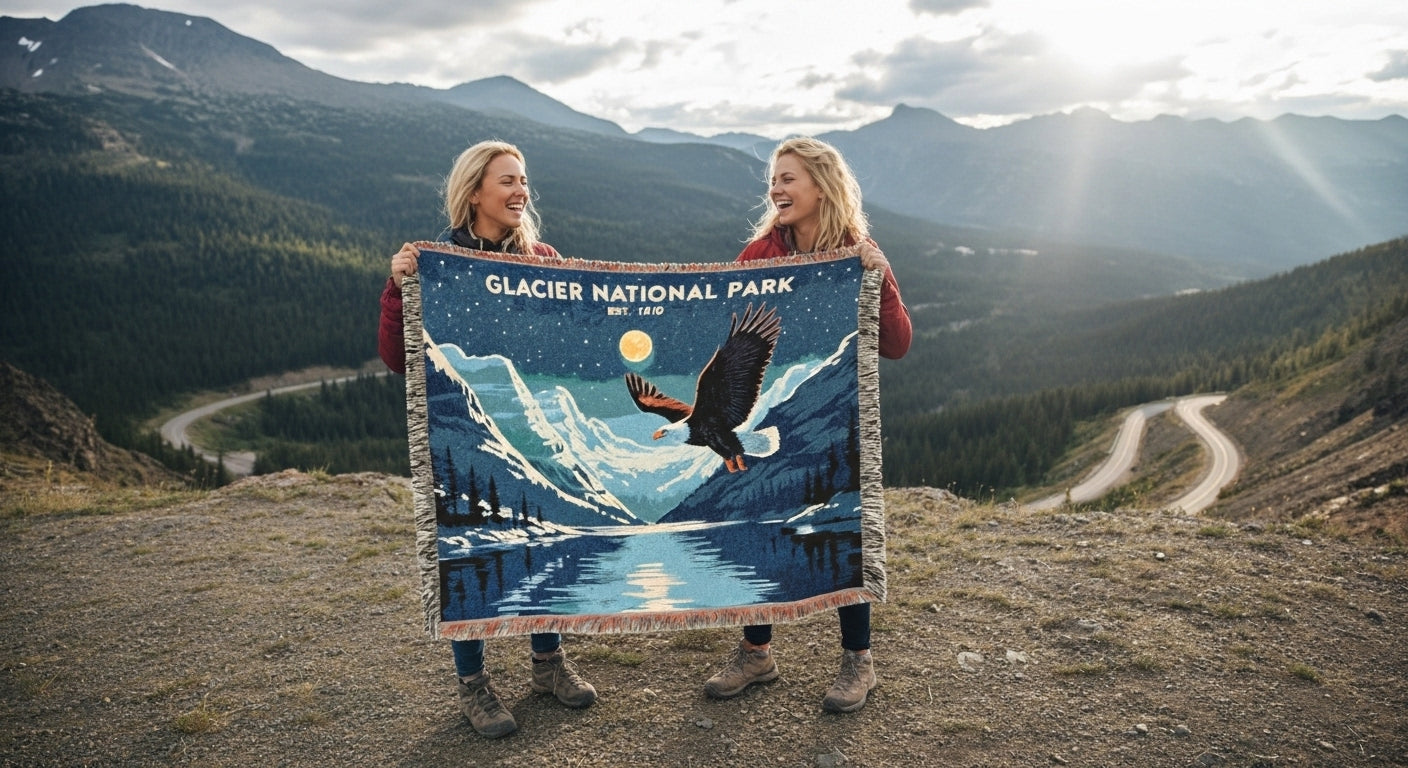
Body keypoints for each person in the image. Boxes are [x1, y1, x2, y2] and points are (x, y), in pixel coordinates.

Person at [378, 140, 596, 738]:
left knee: (543, 540)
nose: (521, 191)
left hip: (532, 435)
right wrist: (399, 289)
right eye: (507, 181)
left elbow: (572, 344)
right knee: (468, 547)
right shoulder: (437, 260)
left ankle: (548, 664)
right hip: (462, 435)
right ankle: (473, 684)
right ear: (475, 191)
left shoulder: (543, 258)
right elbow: (399, 358)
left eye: (524, 180)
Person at [703, 136, 913, 713]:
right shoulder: (759, 254)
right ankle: (756, 652)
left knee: (842, 526)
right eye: (773, 179)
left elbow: (896, 344)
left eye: (788, 178)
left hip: (831, 420)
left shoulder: (856, 252)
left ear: (821, 186)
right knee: (757, 521)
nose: (775, 188)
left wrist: (881, 276)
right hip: (768, 414)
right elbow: (727, 337)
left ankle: (857, 660)